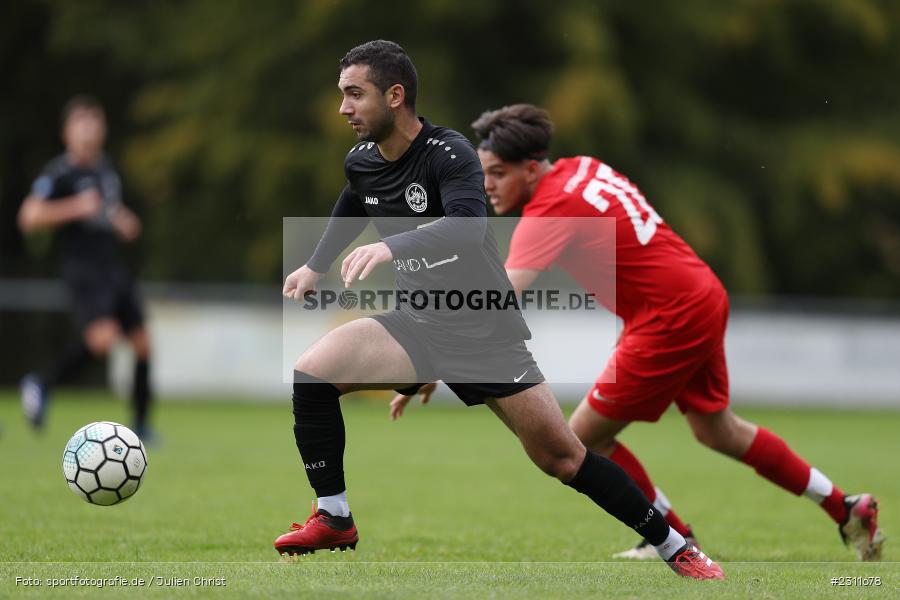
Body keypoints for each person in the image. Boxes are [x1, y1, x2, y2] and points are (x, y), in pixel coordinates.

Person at [277, 41, 723, 579]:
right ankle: (335, 516)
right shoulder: (363, 161)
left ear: (395, 96)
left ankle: (677, 546)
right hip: (418, 321)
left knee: (564, 458)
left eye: (355, 94)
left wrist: (390, 247)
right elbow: (355, 197)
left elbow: (468, 226)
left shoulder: (450, 153)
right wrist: (316, 265)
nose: (344, 107)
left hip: (482, 330)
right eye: (342, 95)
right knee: (312, 373)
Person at [393, 103, 884, 562]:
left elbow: (497, 298)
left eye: (497, 174)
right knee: (718, 430)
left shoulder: (549, 210)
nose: (488, 187)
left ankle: (673, 537)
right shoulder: (582, 167)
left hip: (669, 317)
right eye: (484, 176)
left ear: (531, 167)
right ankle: (845, 507)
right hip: (700, 293)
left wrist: (432, 358)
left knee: (584, 436)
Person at [17, 95, 154, 439]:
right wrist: (75, 207)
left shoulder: (105, 170)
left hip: (112, 266)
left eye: (95, 121)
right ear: (67, 132)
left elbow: (106, 210)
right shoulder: (59, 172)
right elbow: (29, 217)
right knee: (102, 340)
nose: (90, 128)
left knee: (142, 344)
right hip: (83, 269)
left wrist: (123, 220)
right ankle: (42, 383)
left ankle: (140, 426)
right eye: (82, 122)